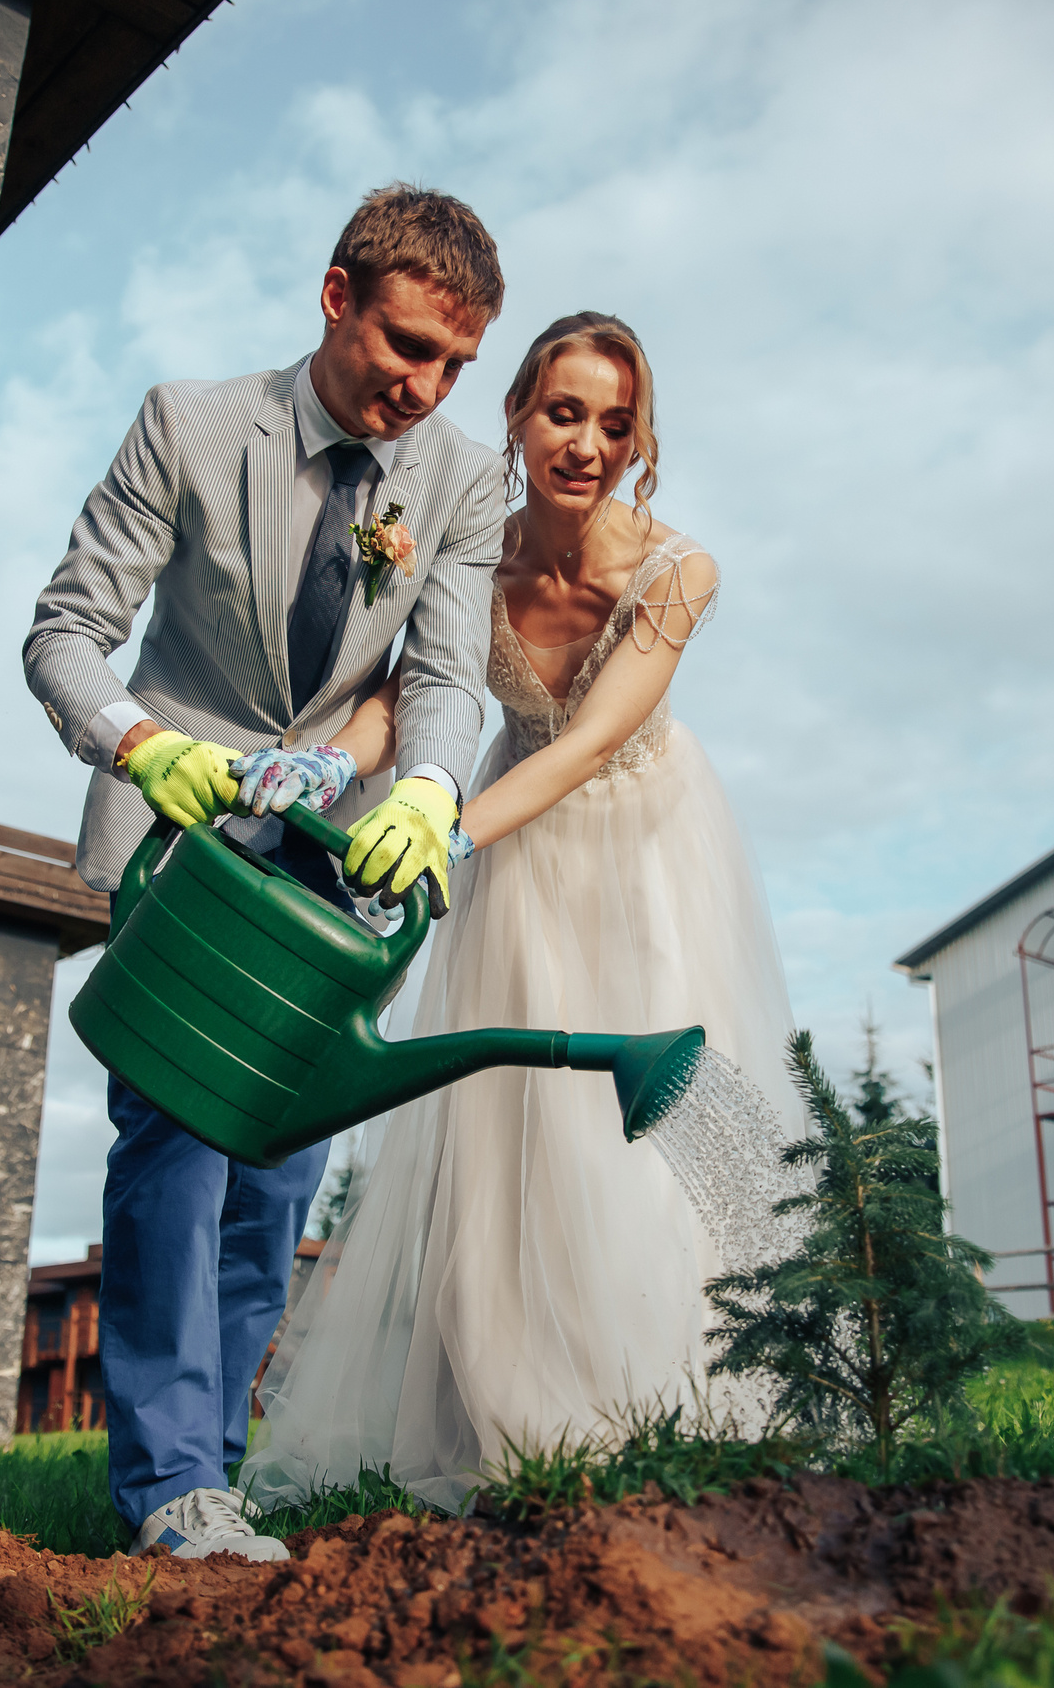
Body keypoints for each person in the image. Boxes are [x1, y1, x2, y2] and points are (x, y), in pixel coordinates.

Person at [234, 313, 804, 1514]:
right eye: (563, 412)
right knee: (508, 1134)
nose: (588, 443)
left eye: (614, 421)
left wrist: (440, 834)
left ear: (636, 435)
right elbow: (411, 696)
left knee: (634, 1139)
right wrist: (333, 769)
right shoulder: (466, 553)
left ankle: (667, 1404)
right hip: (511, 860)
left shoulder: (675, 570)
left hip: (642, 848)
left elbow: (594, 739)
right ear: (516, 417)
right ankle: (512, 1416)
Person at [22, 185, 509, 1562]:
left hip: (329, 860)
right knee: (174, 1147)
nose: (425, 386)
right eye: (406, 345)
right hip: (182, 844)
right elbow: (65, 631)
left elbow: (449, 672)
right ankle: (168, 1482)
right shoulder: (190, 422)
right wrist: (140, 743)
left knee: (276, 1172)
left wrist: (423, 785)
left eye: (455, 365)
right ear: (335, 294)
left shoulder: (461, 482)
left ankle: (213, 1465)